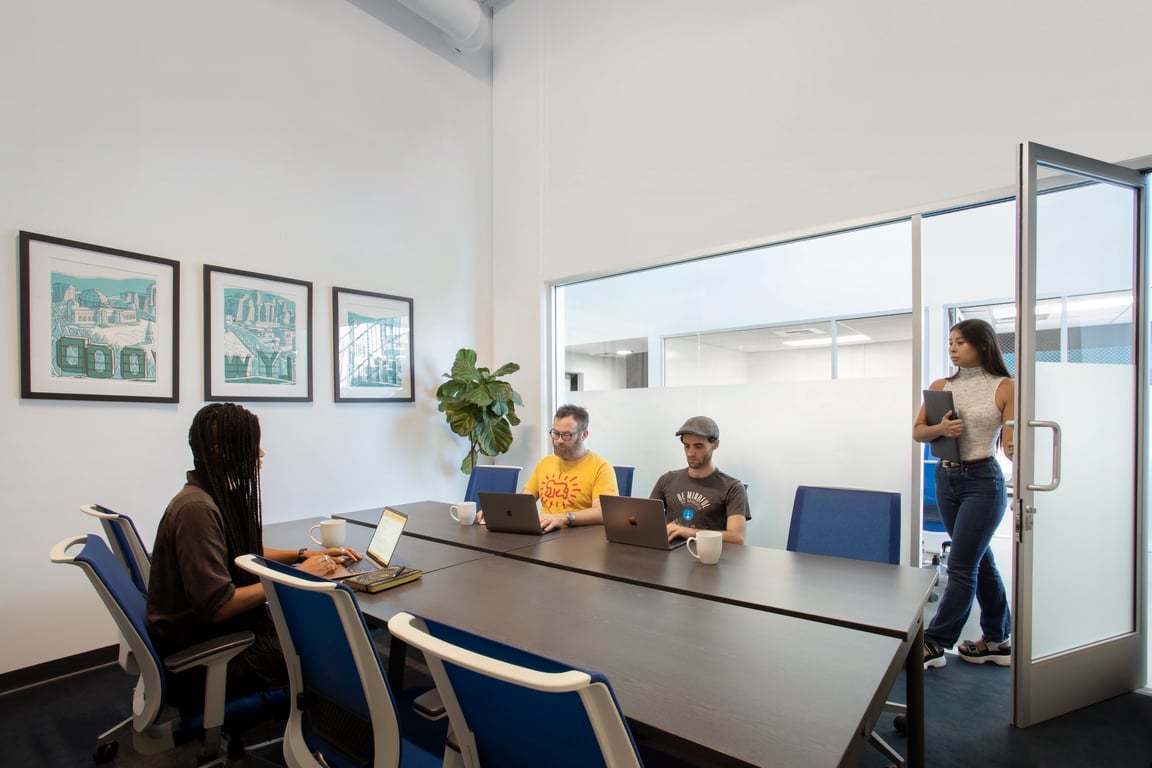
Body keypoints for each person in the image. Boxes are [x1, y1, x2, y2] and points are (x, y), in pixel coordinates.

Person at [146, 403, 362, 706]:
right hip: (209, 656)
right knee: (338, 646)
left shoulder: (210, 495)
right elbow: (217, 606)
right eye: (251, 446)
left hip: (222, 636)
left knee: (324, 632)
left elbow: (245, 551)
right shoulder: (196, 510)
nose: (261, 454)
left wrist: (304, 554)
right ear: (222, 451)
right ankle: (334, 738)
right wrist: (300, 576)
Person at [914, 319, 1014, 669]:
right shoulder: (940, 386)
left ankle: (936, 642)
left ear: (982, 345)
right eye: (950, 342)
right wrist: (941, 428)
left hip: (983, 480)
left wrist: (1017, 447)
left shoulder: (1005, 386)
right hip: (947, 478)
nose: (952, 348)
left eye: (960, 342)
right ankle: (998, 640)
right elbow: (919, 432)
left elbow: (1012, 437)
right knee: (980, 561)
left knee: (960, 565)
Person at [650, 416, 749, 545]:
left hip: (707, 558)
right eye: (686, 446)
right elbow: (648, 522)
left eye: (698, 446)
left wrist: (688, 532)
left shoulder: (733, 488)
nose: (690, 453)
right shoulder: (667, 480)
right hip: (669, 555)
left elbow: (737, 538)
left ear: (715, 444)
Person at [522, 404, 618, 532]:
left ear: (584, 434)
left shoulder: (601, 467)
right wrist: (493, 512)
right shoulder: (545, 463)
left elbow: (603, 512)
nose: (559, 441)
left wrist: (564, 518)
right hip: (546, 535)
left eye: (566, 435)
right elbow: (522, 503)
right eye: (556, 434)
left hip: (580, 538)